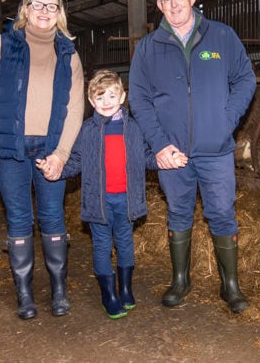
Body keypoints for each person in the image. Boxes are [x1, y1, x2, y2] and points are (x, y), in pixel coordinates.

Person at [128, 0, 257, 314]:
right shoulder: (148, 48)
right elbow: (138, 99)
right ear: (159, 6)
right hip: (173, 154)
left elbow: (245, 78)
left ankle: (231, 286)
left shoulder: (222, 36)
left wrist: (226, 120)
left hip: (215, 151)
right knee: (179, 213)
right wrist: (158, 144)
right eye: (166, 0)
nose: (173, 6)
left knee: (222, 214)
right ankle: (180, 280)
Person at [0, 0, 85, 320]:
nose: (45, 11)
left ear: (59, 14)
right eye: (38, 4)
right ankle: (24, 294)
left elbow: (75, 106)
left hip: (50, 148)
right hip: (11, 149)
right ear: (25, 9)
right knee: (19, 218)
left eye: (52, 6)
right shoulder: (1, 46)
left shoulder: (68, 53)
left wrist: (62, 154)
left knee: (52, 217)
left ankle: (59, 290)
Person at [38, 69, 184, 319]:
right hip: (99, 202)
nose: (106, 102)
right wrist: (56, 171)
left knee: (126, 243)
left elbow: (146, 157)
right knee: (103, 246)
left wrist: (166, 161)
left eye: (112, 96)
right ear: (91, 101)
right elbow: (76, 161)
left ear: (122, 96)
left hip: (126, 200)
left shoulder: (134, 129)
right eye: (100, 97)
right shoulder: (87, 131)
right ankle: (108, 293)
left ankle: (125, 288)